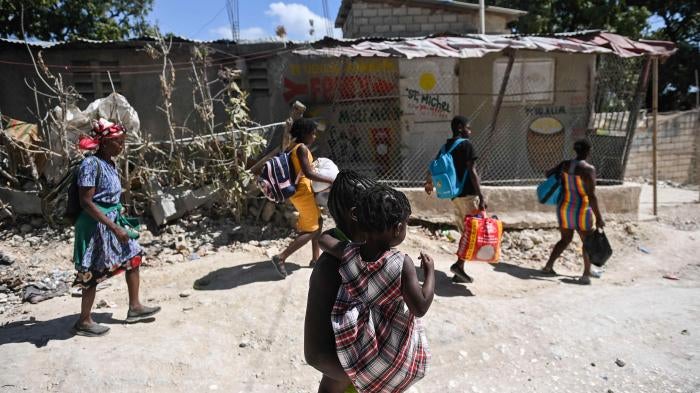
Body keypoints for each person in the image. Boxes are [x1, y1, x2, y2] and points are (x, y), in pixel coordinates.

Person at [324, 185, 434, 393]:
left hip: (357, 346)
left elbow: (324, 240)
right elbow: (420, 307)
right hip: (391, 351)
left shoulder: (349, 252)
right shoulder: (401, 263)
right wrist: (429, 273)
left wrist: (335, 232)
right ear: (397, 228)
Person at [73, 119, 160, 337]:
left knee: (133, 257)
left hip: (112, 222)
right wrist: (113, 227)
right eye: (117, 142)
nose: (121, 146)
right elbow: (86, 202)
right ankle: (83, 321)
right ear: (103, 143)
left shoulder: (109, 162)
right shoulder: (90, 165)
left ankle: (135, 307)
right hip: (95, 226)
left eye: (122, 142)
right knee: (91, 273)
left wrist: (118, 218)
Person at [305, 171, 376, 393]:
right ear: (356, 214)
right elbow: (315, 354)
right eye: (377, 207)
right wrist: (366, 377)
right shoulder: (329, 268)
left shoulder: (370, 253)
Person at [424, 115, 486, 284]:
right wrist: (481, 196)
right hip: (468, 196)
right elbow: (472, 171)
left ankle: (459, 270)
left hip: (454, 196)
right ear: (460, 127)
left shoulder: (446, 147)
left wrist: (429, 182)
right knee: (473, 232)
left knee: (465, 232)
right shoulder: (467, 145)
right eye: (468, 127)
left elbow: (433, 166)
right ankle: (459, 265)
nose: (470, 131)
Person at [271, 118, 334, 278]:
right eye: (312, 133)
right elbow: (308, 173)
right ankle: (281, 257)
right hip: (302, 193)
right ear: (304, 133)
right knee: (311, 230)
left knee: (318, 223)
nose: (314, 137)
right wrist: (331, 180)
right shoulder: (302, 149)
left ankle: (315, 259)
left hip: (302, 192)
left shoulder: (293, 147)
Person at [542, 139, 605, 285]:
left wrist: (562, 179)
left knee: (565, 239)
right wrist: (599, 217)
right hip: (582, 210)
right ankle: (585, 275)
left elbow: (547, 174)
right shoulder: (588, 169)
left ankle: (548, 266)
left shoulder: (565, 164)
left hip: (564, 208)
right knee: (588, 242)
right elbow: (591, 195)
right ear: (588, 151)